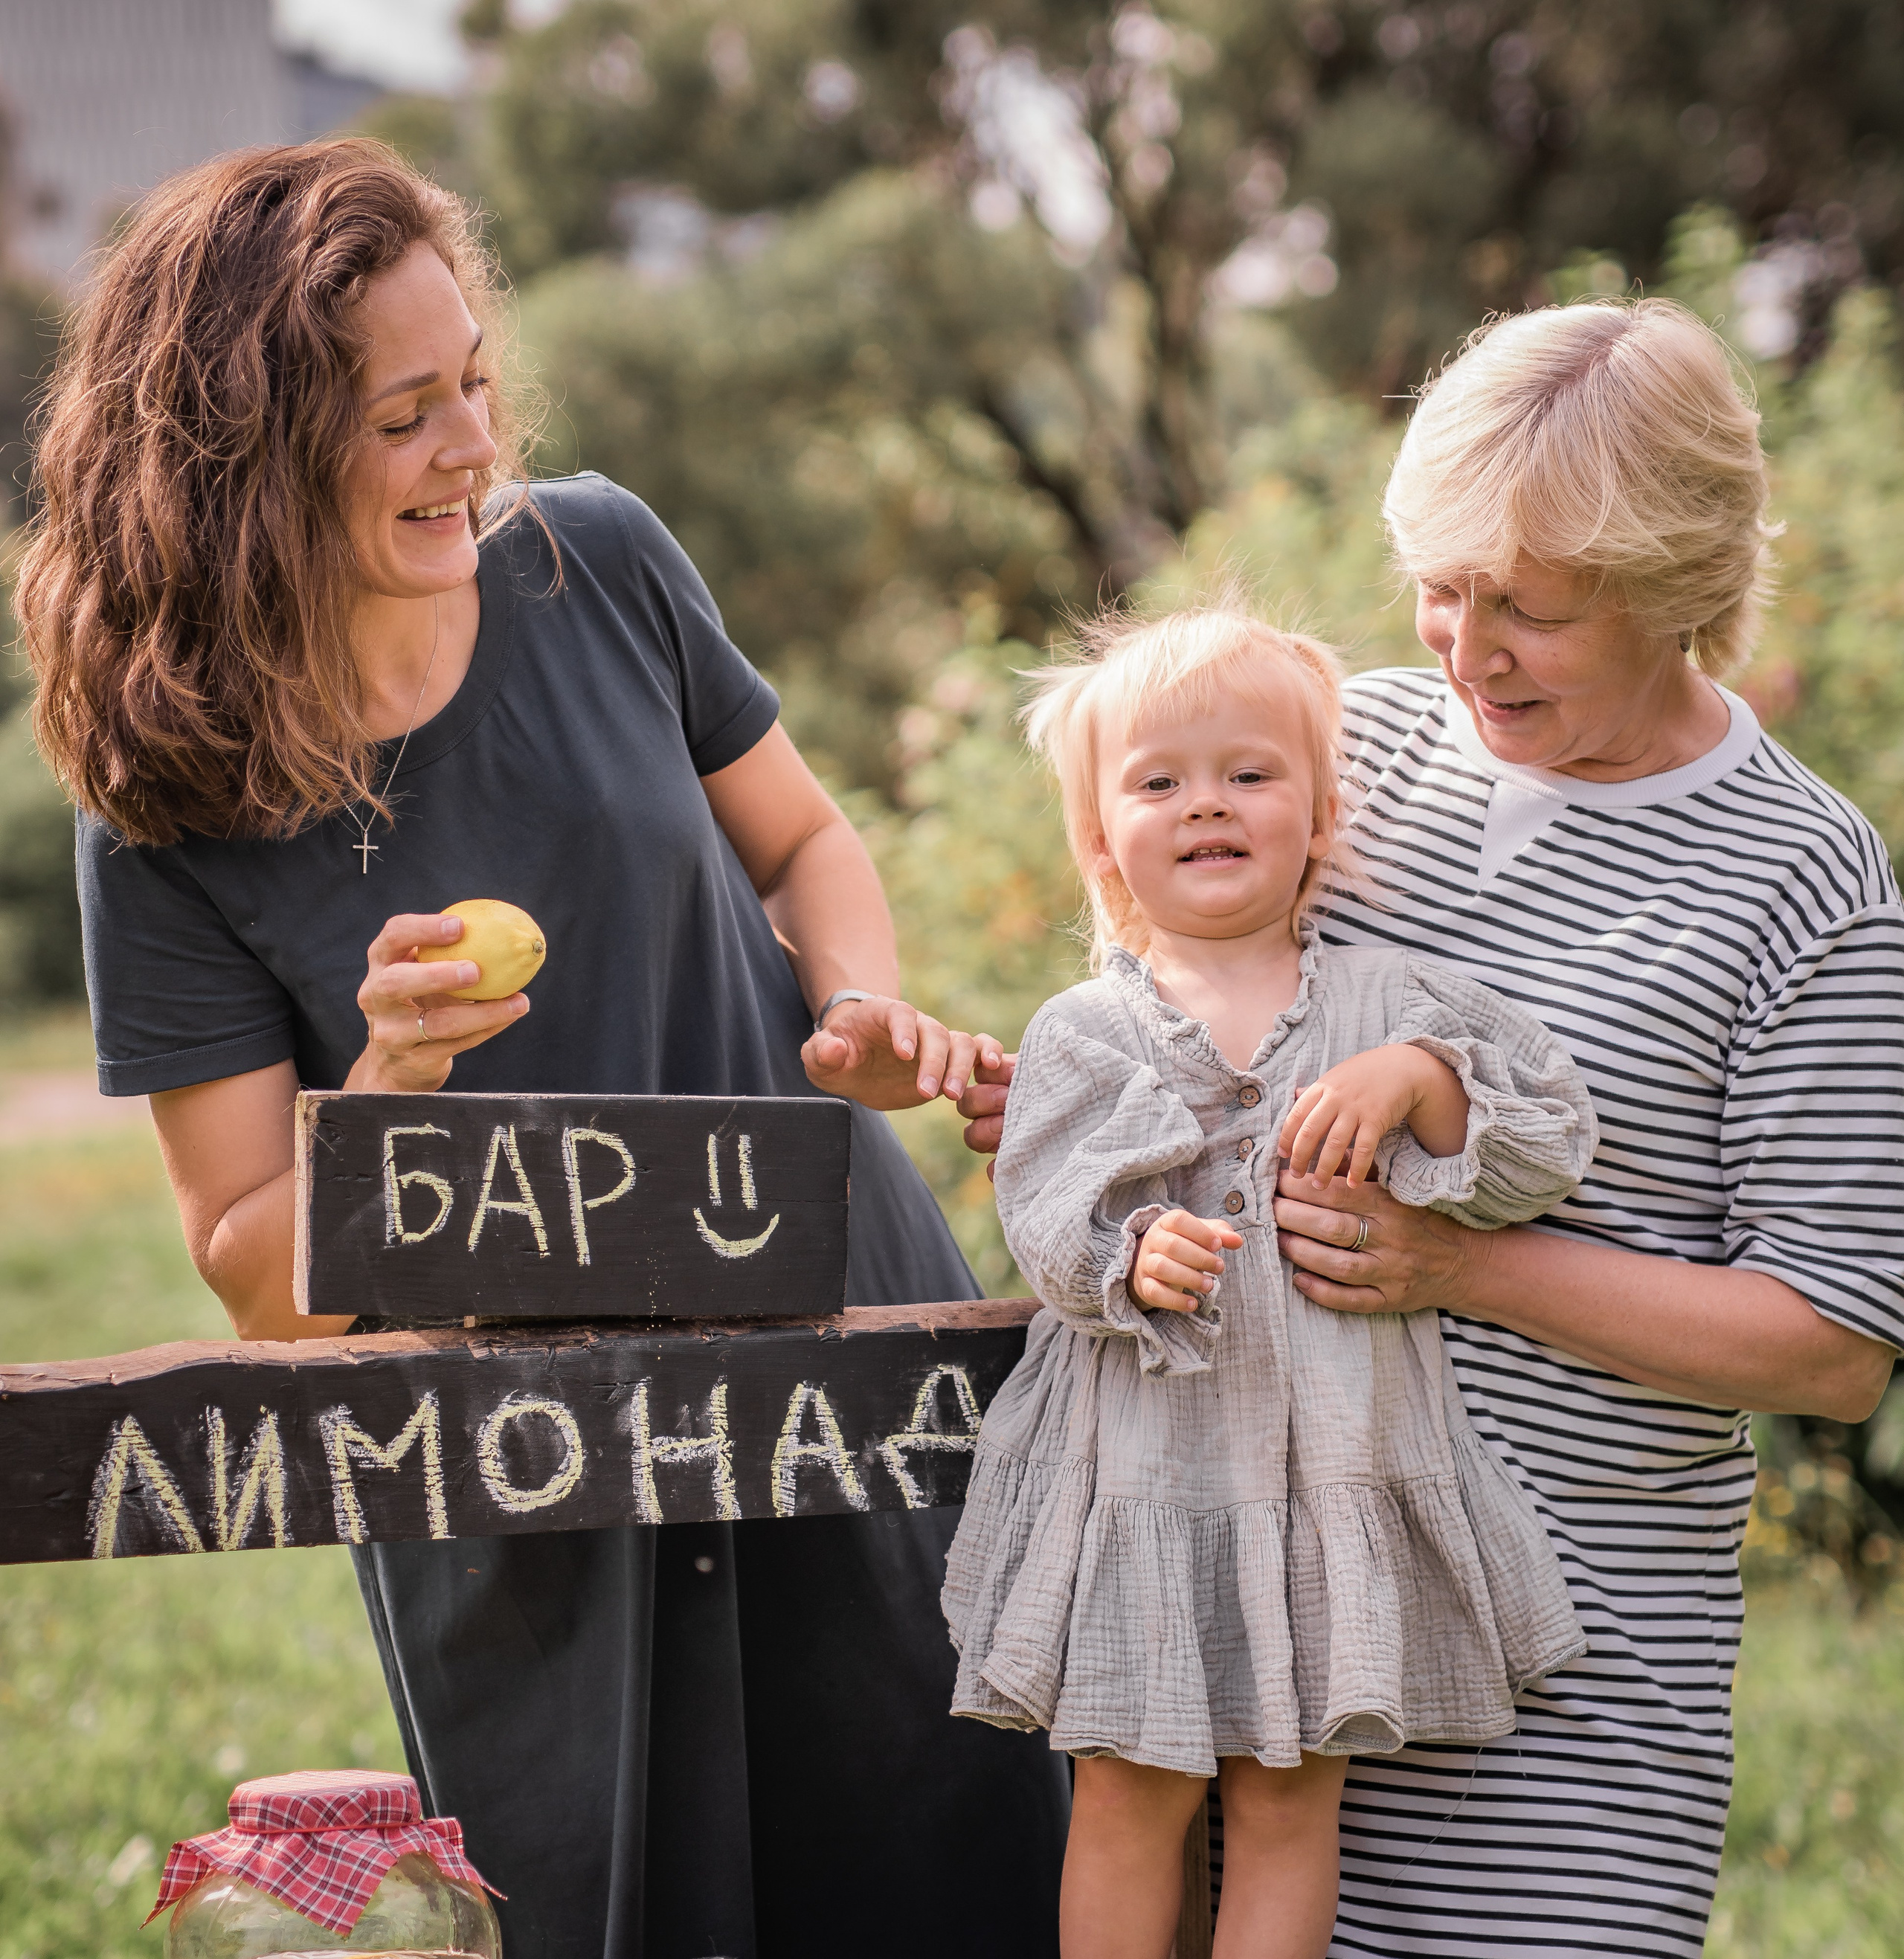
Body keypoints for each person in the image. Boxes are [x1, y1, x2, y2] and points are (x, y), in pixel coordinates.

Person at [19, 138, 1069, 1958]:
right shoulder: (168, 801)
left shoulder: (598, 558)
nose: (470, 451)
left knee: (951, 1864)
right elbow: (263, 1286)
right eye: (403, 416)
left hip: (832, 1359)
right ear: (252, 461)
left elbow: (803, 842)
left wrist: (848, 1004)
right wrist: (386, 1085)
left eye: (474, 386)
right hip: (512, 1482)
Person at [960, 299, 1904, 1959]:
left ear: (1679, 587)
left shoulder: (1797, 879)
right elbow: (1168, 993)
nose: (1463, 650)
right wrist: (1047, 1113)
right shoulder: (1356, 750)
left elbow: (1828, 1344)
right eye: (1441, 589)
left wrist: (1459, 1266)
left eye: (1527, 612)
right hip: (1227, 1634)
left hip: (1558, 1724)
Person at [940, 604, 1599, 1959]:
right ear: (1101, 838)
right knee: (1127, 1794)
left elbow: (1546, 1135)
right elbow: (1045, 1206)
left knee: (1296, 1799)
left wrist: (1421, 1079)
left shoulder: (1387, 998)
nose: (1208, 806)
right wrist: (1127, 1254)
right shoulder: (1089, 1026)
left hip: (1333, 1468)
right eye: (1159, 781)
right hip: (1147, 1483)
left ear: (1319, 811)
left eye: (1250, 772)